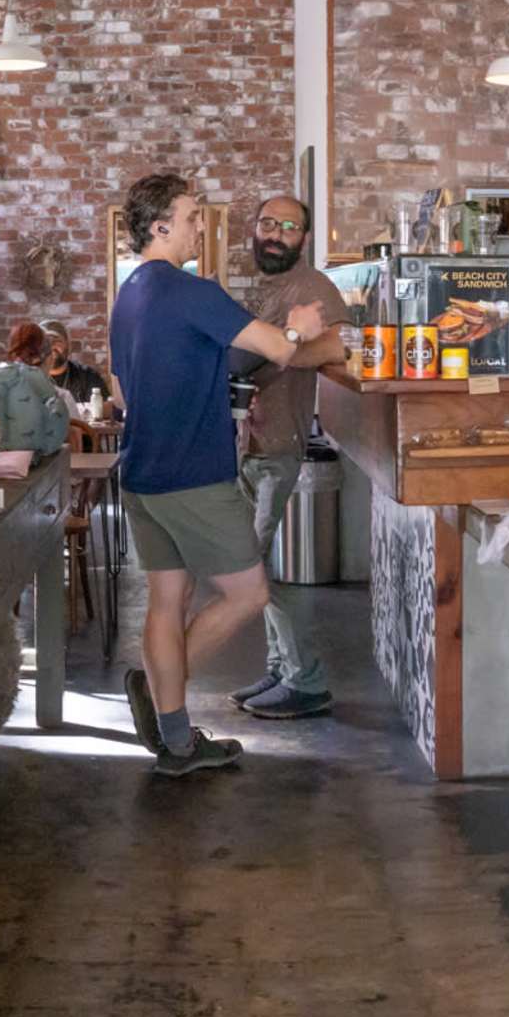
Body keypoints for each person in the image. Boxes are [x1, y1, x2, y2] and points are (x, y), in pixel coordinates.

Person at [106, 172, 330, 777]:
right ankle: (160, 698)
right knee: (248, 593)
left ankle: (176, 744)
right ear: (161, 227)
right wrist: (301, 327)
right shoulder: (193, 290)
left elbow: (122, 390)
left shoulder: (129, 294)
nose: (199, 227)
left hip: (143, 471)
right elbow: (278, 349)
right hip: (195, 475)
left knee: (166, 600)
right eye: (191, 217)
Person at [233, 193, 352, 720]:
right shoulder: (268, 286)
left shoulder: (313, 288)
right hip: (246, 442)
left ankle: (306, 679)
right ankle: (284, 667)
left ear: (304, 237)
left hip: (276, 443)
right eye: (268, 223)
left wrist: (277, 351)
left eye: (288, 226)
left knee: (248, 565)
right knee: (255, 562)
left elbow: (339, 346)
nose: (276, 233)